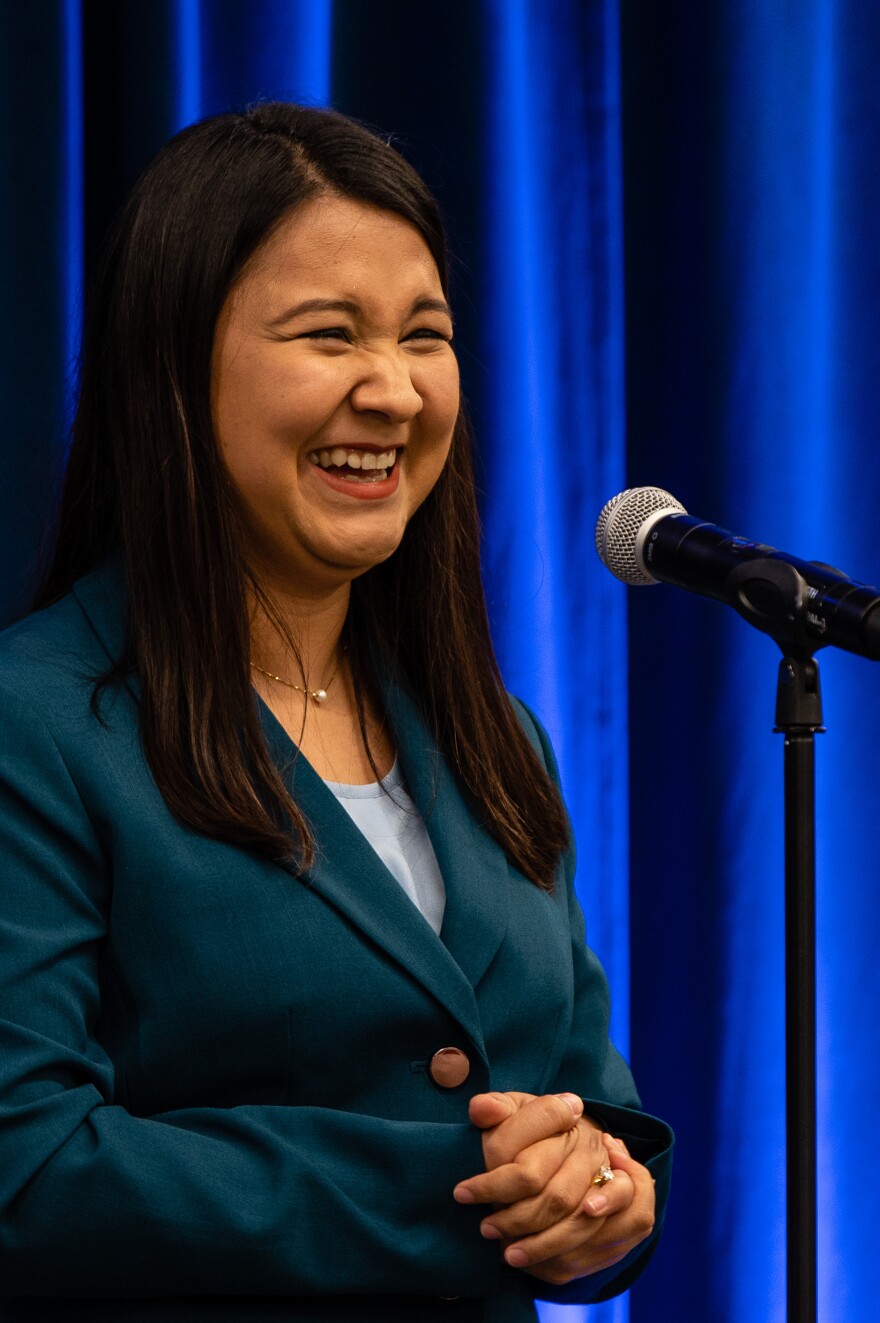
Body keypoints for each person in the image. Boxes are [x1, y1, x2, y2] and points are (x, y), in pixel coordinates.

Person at [0, 103, 672, 1322]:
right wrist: (463, 1191)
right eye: (330, 335)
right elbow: (27, 1170)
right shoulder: (33, 721)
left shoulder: (494, 735)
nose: (395, 391)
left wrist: (609, 1197)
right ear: (171, 367)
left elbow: (582, 1094)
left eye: (427, 336)